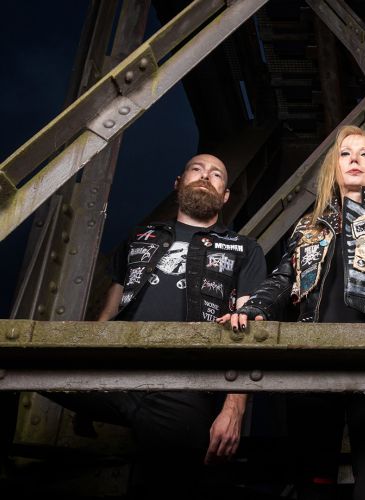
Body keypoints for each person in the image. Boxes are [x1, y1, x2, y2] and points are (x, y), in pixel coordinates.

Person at [220, 125, 365, 500]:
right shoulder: (308, 225)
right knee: (312, 478)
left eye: (364, 154)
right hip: (313, 358)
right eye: (345, 153)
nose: (354, 160)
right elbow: (283, 278)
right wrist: (254, 308)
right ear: (334, 166)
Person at [45, 154, 267, 496]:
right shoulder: (140, 237)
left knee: (169, 483)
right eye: (196, 169)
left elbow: (248, 328)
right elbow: (108, 313)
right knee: (20, 366)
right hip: (115, 372)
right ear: (178, 183)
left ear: (225, 196)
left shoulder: (244, 249)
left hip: (184, 384)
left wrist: (234, 409)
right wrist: (88, 377)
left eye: (217, 174)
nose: (205, 176)